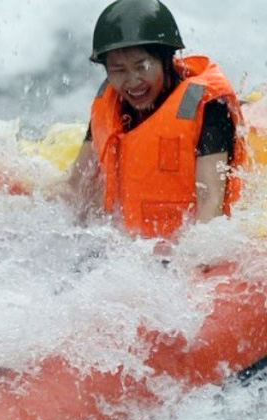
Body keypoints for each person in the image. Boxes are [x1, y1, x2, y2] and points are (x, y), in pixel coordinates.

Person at [68, 0, 247, 240]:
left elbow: (210, 198)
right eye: (119, 70)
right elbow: (77, 183)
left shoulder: (208, 107)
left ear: (166, 59)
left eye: (142, 66)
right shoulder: (109, 104)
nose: (132, 81)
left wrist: (199, 262)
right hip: (131, 248)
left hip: (184, 245)